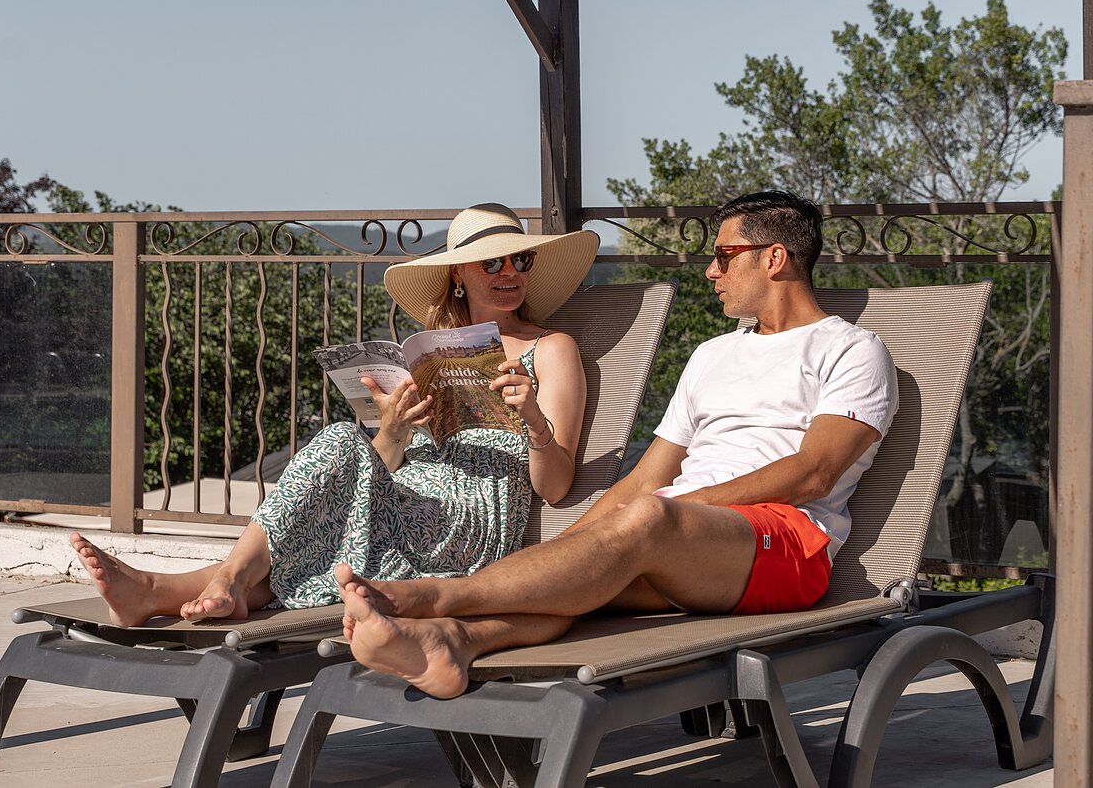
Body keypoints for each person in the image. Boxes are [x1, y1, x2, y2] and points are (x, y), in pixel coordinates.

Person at [335, 190, 900, 698]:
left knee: (645, 521)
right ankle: (453, 643)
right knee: (574, 580)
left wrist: (674, 511)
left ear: (774, 258)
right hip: (680, 541)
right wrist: (571, 546)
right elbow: (641, 480)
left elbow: (814, 472)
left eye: (723, 255)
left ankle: (430, 598)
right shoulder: (712, 355)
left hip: (785, 544)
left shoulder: (850, 350)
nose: (710, 271)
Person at [71, 203, 599, 626]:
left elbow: (554, 487)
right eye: (493, 262)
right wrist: (393, 428)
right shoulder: (428, 354)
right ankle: (194, 586)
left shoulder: (551, 350)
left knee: (331, 492)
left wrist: (532, 419)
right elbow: (386, 464)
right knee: (342, 441)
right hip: (406, 493)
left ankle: (173, 587)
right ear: (457, 273)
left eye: (520, 261)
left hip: (469, 518)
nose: (510, 273)